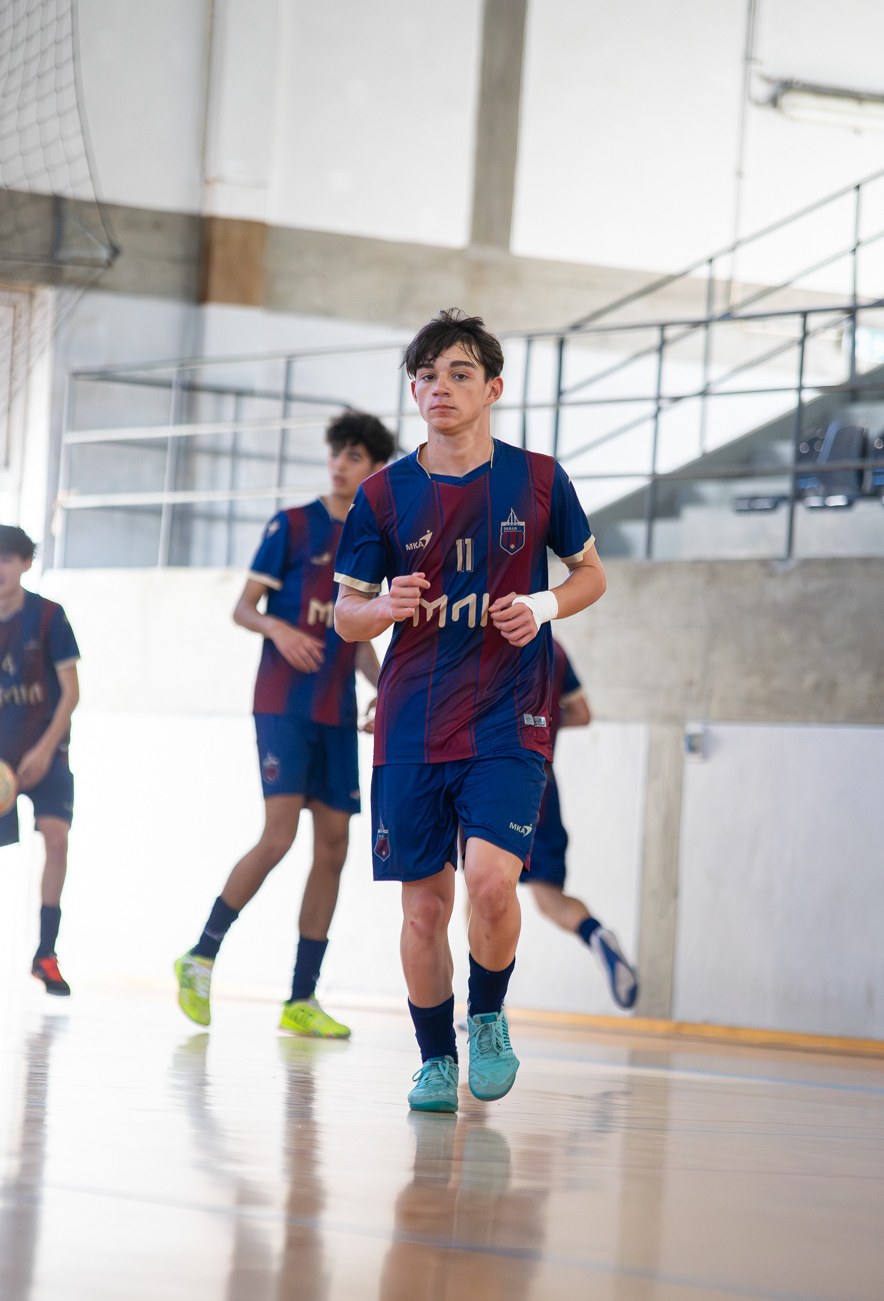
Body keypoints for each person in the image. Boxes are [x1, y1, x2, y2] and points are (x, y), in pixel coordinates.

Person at [334, 309, 607, 1113]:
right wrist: (383, 607)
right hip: (412, 722)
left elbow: (591, 574)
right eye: (426, 376)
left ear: (493, 388)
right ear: (413, 390)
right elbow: (345, 617)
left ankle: (486, 1016)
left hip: (510, 718)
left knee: (491, 883)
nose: (440, 388)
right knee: (424, 908)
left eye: (459, 374)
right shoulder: (382, 494)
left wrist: (544, 606)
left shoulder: (540, 480)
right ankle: (434, 1061)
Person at [175, 411, 395, 1037]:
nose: (340, 464)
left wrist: (391, 692)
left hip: (335, 710)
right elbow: (243, 607)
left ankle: (301, 997)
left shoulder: (373, 539)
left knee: (335, 845)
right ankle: (200, 955)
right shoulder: (293, 524)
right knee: (279, 836)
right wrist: (278, 627)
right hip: (283, 704)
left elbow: (358, 639)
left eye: (355, 457)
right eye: (336, 453)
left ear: (375, 469)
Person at [0, 525, 80, 996]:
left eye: (6, 558)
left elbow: (72, 693)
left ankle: (46, 953)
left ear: (25, 563)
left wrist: (44, 751)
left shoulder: (49, 617)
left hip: (45, 749)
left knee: (56, 839)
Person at [520, 638, 638, 1007]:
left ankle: (484, 1005)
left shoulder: (492, 633)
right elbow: (581, 713)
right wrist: (544, 727)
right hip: (542, 784)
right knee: (548, 898)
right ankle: (595, 934)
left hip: (495, 783)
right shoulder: (554, 648)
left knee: (481, 893)